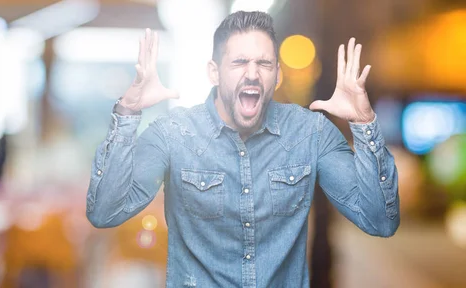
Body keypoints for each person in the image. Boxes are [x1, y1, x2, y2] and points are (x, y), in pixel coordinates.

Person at [86, 11, 399, 288]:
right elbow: (105, 212)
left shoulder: (311, 133)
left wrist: (364, 123)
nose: (252, 73)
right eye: (238, 62)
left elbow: (380, 222)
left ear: (277, 75)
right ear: (214, 72)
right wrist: (127, 113)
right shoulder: (174, 133)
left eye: (263, 63)